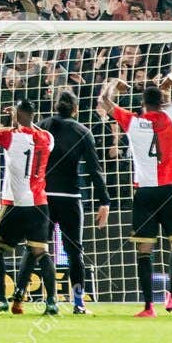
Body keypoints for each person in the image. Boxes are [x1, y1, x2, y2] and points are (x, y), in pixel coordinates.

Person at [100, 79, 172, 317]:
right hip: (167, 190)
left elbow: (104, 102)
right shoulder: (170, 116)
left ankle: (149, 307)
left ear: (142, 104)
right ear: (162, 102)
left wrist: (113, 84)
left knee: (144, 250)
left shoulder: (133, 122)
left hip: (144, 193)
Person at [0, 99, 59, 316]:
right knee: (41, 252)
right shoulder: (47, 138)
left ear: (19, 114)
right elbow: (32, 128)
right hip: (39, 205)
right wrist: (20, 118)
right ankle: (51, 302)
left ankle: (2, 299)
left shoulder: (11, 136)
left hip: (14, 204)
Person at [39, 88, 111, 314]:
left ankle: (45, 300)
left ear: (55, 106)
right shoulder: (82, 131)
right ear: (76, 109)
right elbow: (94, 170)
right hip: (70, 198)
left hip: (44, 197)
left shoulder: (42, 127)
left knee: (38, 248)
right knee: (74, 253)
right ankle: (78, 303)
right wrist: (104, 201)